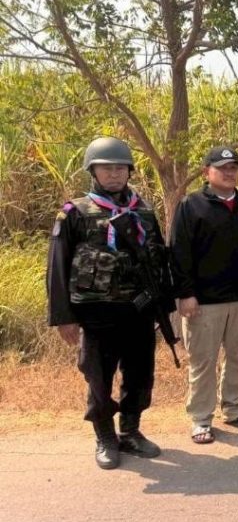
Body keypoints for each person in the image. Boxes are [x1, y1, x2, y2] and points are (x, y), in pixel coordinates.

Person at [46, 137, 171, 469]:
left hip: (139, 311)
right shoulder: (74, 213)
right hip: (96, 314)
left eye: (120, 168)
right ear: (93, 172)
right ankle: (105, 436)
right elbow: (57, 267)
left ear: (129, 171)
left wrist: (164, 306)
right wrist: (64, 317)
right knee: (99, 379)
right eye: (107, 169)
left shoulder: (144, 211)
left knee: (140, 375)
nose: (114, 174)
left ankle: (130, 431)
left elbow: (158, 260)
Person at [170, 146, 238, 444]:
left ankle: (234, 409)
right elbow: (179, 252)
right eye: (222, 167)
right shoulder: (191, 205)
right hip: (204, 302)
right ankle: (201, 418)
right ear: (206, 172)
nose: (229, 172)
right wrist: (185, 293)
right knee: (203, 362)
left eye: (233, 167)